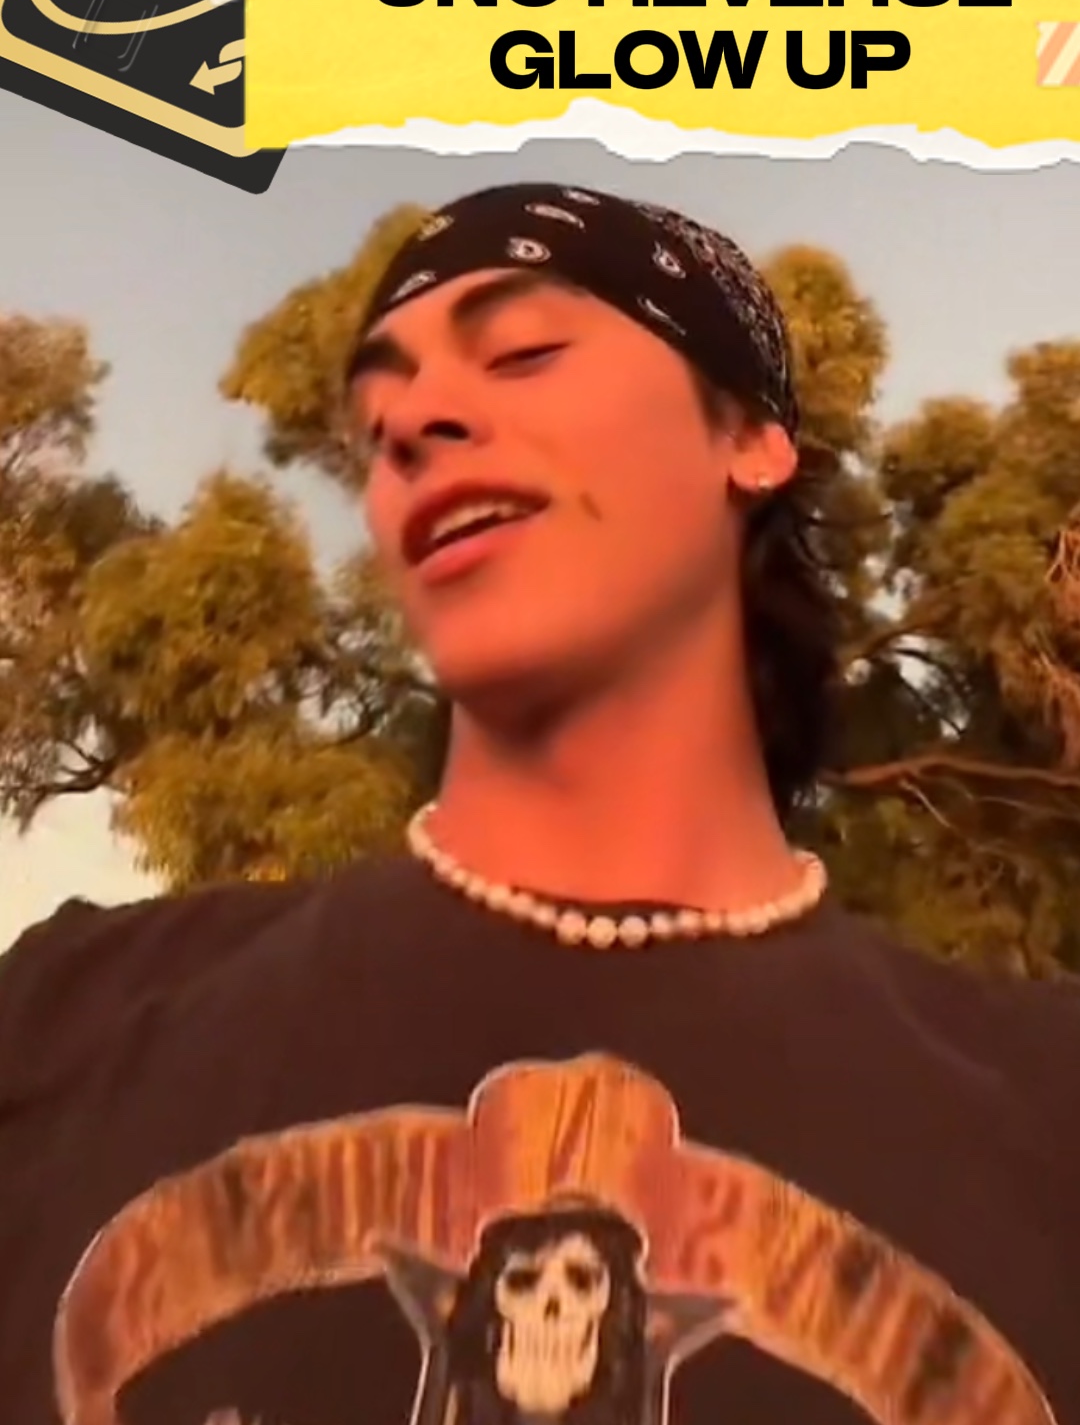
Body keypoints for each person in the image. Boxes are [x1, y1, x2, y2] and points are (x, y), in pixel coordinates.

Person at [0, 179, 1077, 1425]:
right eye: (377, 418)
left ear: (749, 434)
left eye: (522, 352)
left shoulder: (1049, 1107)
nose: (414, 421)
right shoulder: (63, 1025)